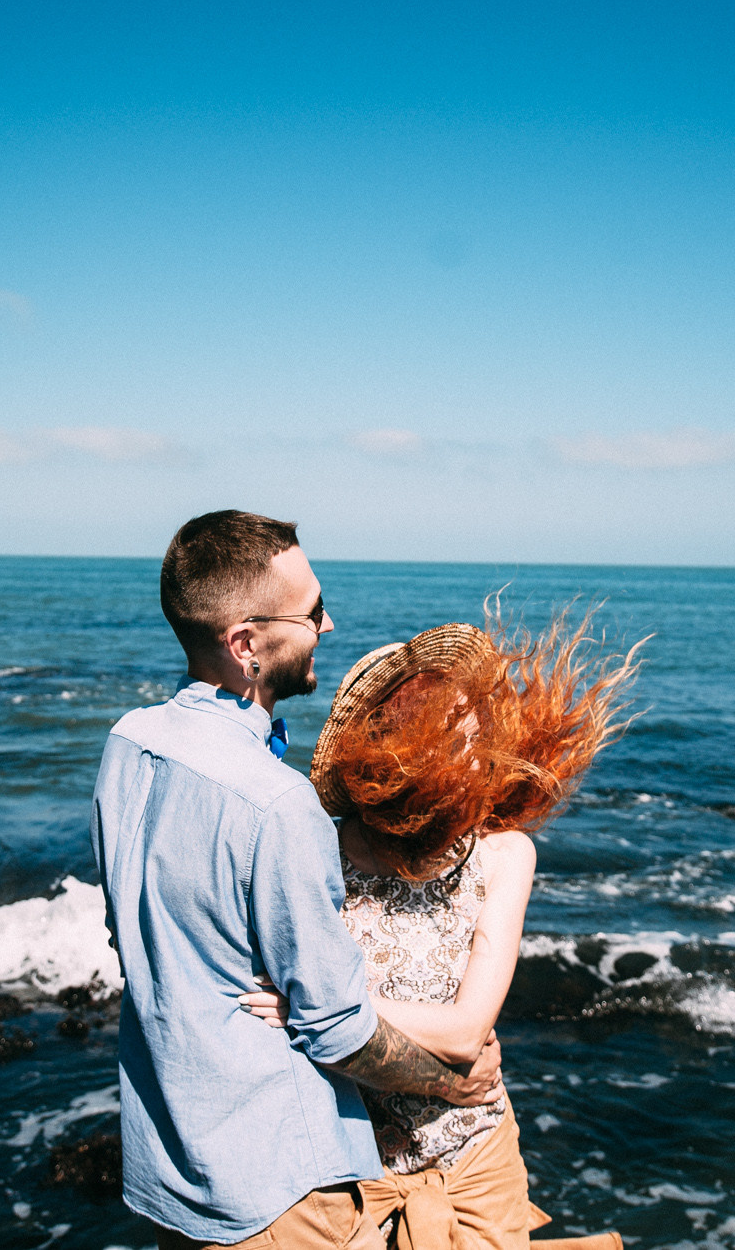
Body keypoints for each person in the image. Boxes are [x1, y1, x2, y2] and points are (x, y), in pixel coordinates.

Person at [93, 511, 505, 1250]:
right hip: (279, 1190)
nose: (329, 621)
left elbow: (134, 929)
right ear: (246, 645)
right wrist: (453, 1083)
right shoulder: (279, 804)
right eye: (312, 611)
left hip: (169, 1169)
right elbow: (338, 1028)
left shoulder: (127, 743)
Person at [241, 615, 641, 1250]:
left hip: (479, 1166)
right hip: (349, 1182)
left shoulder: (505, 853)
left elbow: (465, 1032)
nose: (468, 741)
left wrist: (308, 1008)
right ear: (389, 747)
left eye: (472, 723)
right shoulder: (317, 849)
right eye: (443, 726)